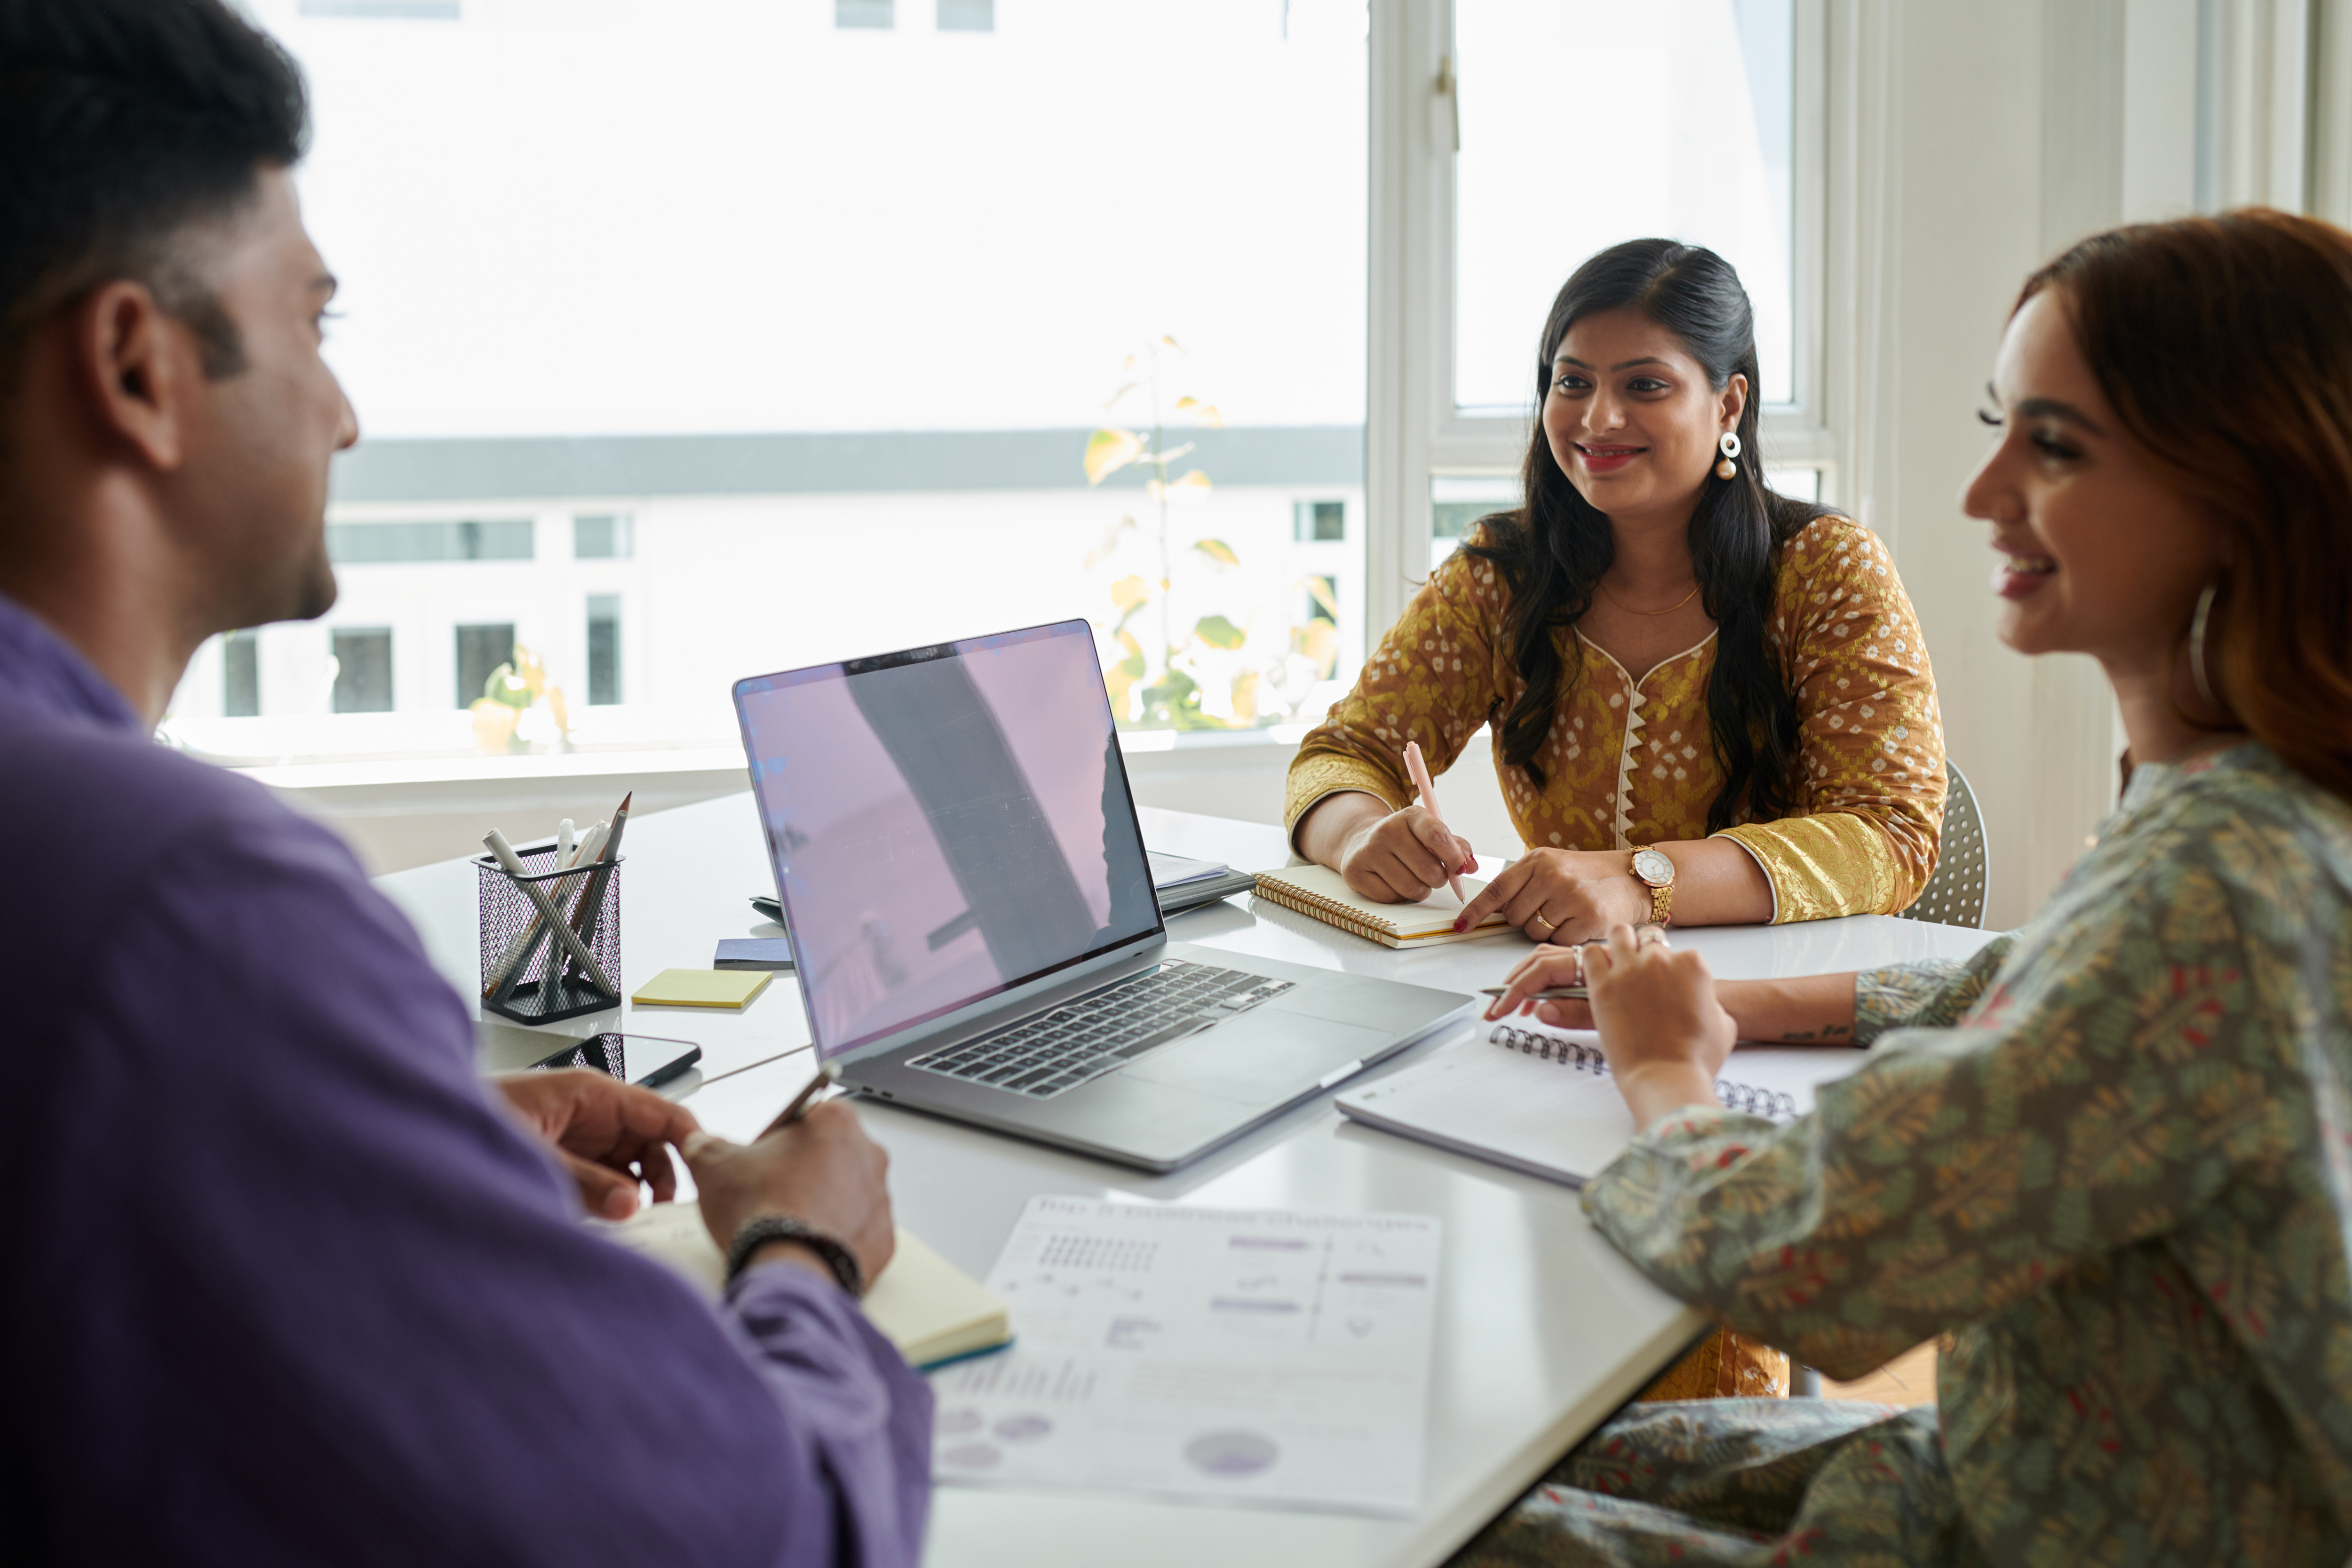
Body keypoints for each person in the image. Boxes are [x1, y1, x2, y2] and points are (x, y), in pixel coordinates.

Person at [0, 2, 928, 1561]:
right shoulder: (179, 899)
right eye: (313, 324)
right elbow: (755, 1532)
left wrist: (356, 1131)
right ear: (137, 367)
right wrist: (800, 1248)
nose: (343, 414)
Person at [1457, 207, 2352, 1565]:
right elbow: (2057, 987)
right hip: (2046, 1456)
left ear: (2252, 486)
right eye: (2003, 426)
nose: (1985, 492)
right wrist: (1751, 1010)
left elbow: (1808, 1257)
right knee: (1498, 1462)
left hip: (2074, 1523)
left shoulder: (2221, 879)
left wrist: (1664, 1072)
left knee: (1430, 1515)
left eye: (2052, 444)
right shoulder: (2260, 802)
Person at [1289, 239, 1946, 954]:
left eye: (1644, 386)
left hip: (1776, 994)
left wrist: (1641, 883)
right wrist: (1356, 833)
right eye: (1573, 383)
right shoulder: (1500, 577)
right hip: (1556, 989)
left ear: (1728, 404)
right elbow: (1342, 755)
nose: (1598, 419)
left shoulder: (1825, 569)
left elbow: (1890, 833)